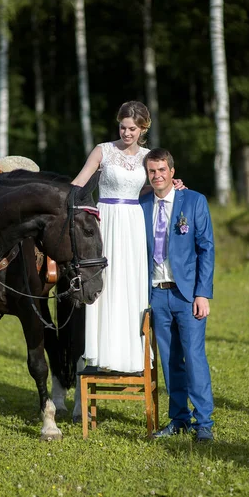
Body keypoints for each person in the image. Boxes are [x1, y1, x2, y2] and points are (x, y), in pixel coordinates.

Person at [71, 102, 183, 374]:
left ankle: (132, 356)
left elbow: (153, 184)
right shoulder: (103, 150)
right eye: (123, 126)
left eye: (132, 128)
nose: (126, 132)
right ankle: (100, 352)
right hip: (105, 218)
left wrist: (173, 185)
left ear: (143, 128)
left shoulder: (147, 157)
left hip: (133, 222)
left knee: (130, 283)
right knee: (105, 283)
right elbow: (78, 183)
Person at [140, 148, 215, 442]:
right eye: (152, 171)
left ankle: (204, 422)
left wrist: (202, 293)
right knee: (170, 361)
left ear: (172, 171)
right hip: (157, 295)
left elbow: (206, 249)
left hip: (187, 295)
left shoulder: (194, 201)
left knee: (194, 357)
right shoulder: (142, 204)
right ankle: (179, 419)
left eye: (162, 170)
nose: (157, 176)